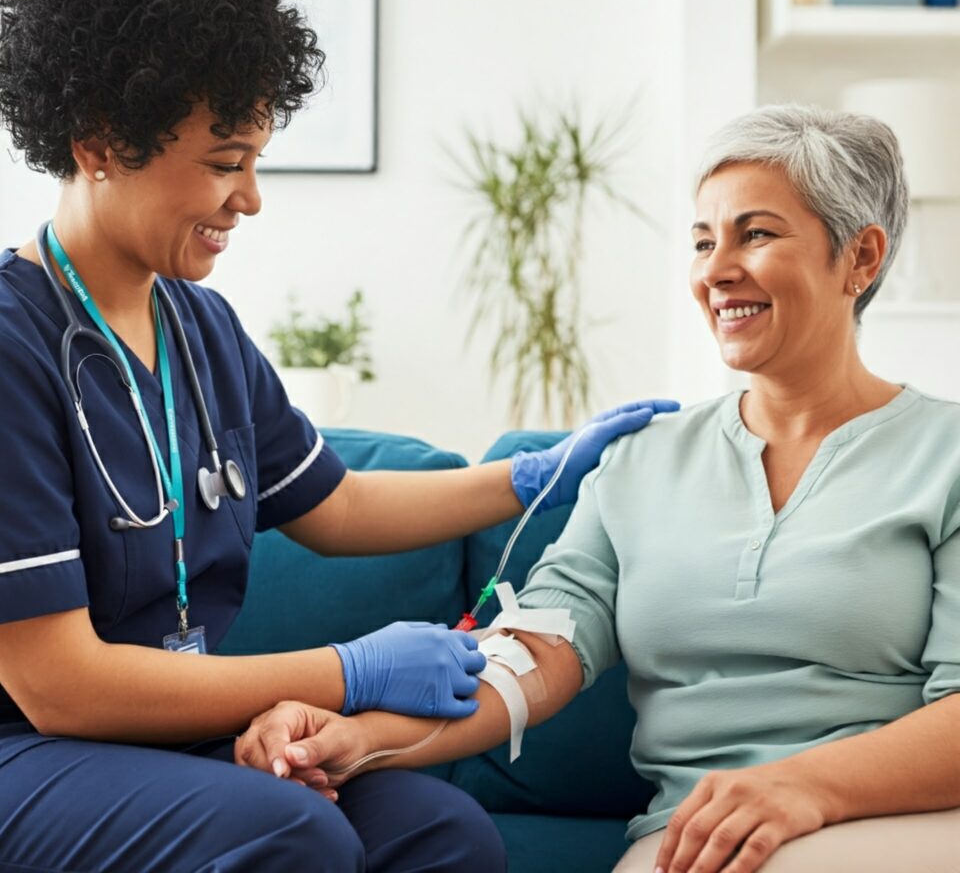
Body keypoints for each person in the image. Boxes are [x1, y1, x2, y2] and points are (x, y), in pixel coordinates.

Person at [0, 0, 677, 872]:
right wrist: (349, 669)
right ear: (100, 140)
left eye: (255, 163)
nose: (249, 199)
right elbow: (60, 689)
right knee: (291, 832)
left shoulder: (198, 329)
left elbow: (337, 503)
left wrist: (534, 476)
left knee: (441, 830)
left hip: (154, 745)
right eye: (223, 164)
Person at [238, 104, 960, 873]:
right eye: (703, 241)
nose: (716, 270)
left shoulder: (944, 457)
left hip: (899, 820)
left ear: (861, 257)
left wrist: (802, 788)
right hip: (694, 839)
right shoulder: (642, 461)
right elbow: (535, 656)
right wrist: (357, 735)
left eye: (756, 233)